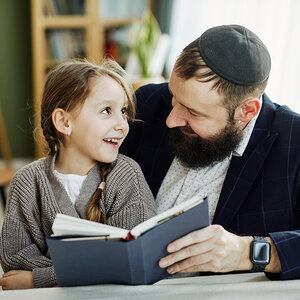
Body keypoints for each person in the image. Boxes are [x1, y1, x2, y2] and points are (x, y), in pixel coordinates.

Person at [121, 24, 300, 280]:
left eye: (193, 112)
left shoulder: (293, 142)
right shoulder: (148, 103)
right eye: (174, 97)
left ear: (247, 111)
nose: (171, 120)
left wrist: (247, 252)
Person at [0, 59, 156, 290]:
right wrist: (85, 272)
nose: (123, 124)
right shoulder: (27, 181)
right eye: (106, 111)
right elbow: (15, 262)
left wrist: (41, 278)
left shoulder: (126, 175)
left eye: (123, 111)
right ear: (64, 122)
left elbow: (130, 260)